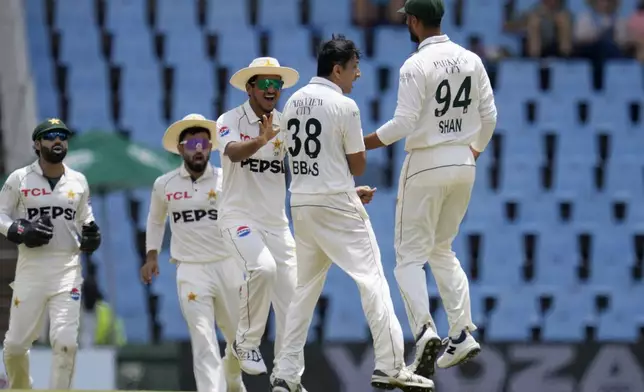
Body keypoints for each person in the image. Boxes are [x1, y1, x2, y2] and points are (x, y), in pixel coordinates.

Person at [270, 35, 435, 392]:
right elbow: (357, 164)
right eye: (354, 67)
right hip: (335, 205)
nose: (357, 75)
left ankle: (285, 373)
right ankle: (391, 365)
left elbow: (314, 160)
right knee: (372, 280)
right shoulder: (345, 106)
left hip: (302, 202)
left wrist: (344, 185)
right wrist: (347, 185)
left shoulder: (294, 101)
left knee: (304, 291)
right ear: (337, 69)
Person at [363, 0, 497, 379]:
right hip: (463, 163)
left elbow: (403, 123)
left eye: (408, 19)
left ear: (416, 22)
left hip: (425, 161)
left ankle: (423, 330)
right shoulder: (471, 58)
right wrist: (473, 150)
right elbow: (490, 116)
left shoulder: (415, 64)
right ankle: (462, 330)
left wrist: (361, 144)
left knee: (408, 257)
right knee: (442, 248)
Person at [141, 114, 247, 392]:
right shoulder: (165, 184)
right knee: (202, 338)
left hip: (229, 266)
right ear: (180, 149)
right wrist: (152, 255)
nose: (198, 148)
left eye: (203, 142)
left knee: (240, 340)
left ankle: (233, 378)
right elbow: (155, 220)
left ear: (211, 146)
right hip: (190, 269)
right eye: (191, 143)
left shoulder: (228, 178)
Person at [0, 118, 101, 389]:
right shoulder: (19, 178)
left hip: (66, 270)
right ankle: (21, 387)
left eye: (62, 136)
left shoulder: (78, 180)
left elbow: (86, 221)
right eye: (50, 136)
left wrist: (91, 236)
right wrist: (19, 231)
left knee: (66, 344)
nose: (58, 141)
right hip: (31, 270)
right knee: (16, 346)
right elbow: (0, 215)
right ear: (37, 144)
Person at [215, 57, 299, 376]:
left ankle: (287, 378)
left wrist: (347, 191)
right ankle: (247, 343)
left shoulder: (286, 122)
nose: (271, 90)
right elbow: (233, 152)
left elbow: (305, 165)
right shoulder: (229, 119)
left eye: (276, 84)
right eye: (264, 84)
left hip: (277, 224)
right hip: (239, 219)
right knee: (262, 269)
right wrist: (261, 140)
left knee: (295, 307)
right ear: (249, 88)